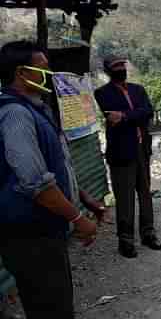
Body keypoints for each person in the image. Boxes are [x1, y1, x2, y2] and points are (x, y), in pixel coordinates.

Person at [0, 40, 97, 318]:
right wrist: (78, 219)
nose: (49, 73)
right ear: (22, 73)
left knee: (58, 302)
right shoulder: (15, 114)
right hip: (29, 236)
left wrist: (83, 198)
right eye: (43, 67)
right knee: (50, 308)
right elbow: (36, 182)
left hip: (45, 231)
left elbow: (57, 165)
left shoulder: (36, 109)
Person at [94, 55, 161, 258]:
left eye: (122, 65)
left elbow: (147, 111)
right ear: (108, 70)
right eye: (116, 66)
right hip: (121, 152)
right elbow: (112, 116)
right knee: (124, 199)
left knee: (145, 193)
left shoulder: (138, 89)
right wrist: (135, 114)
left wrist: (124, 116)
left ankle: (148, 234)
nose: (120, 68)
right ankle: (125, 241)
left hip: (142, 149)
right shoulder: (102, 93)